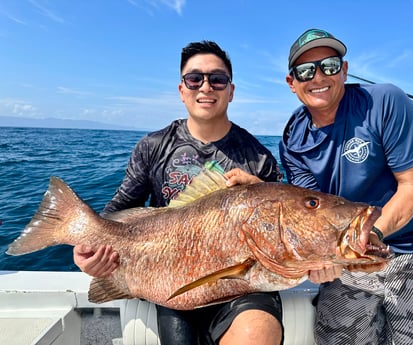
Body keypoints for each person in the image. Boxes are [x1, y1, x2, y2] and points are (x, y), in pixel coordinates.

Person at [73, 40, 285, 345]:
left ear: (231, 90)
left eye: (218, 79)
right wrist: (89, 252)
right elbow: (116, 212)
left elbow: (281, 231)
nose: (206, 87)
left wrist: (262, 193)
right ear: (181, 89)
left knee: (258, 334)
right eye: (194, 79)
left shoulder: (259, 157)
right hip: (167, 279)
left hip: (242, 287)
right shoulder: (153, 146)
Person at [280, 28, 413, 345]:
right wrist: (321, 257)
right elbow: (310, 214)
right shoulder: (293, 139)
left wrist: (371, 236)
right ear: (292, 83)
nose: (318, 77)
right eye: (306, 71)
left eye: (330, 65)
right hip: (345, 263)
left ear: (344, 70)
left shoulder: (385, 101)